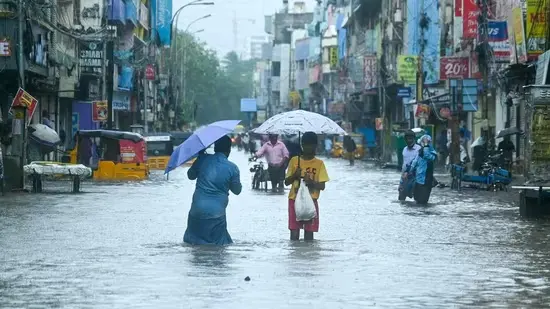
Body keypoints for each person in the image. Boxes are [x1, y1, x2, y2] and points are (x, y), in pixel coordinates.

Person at [183, 135, 242, 245]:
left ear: (214, 148)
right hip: (216, 215)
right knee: (218, 249)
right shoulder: (232, 168)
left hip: (196, 211)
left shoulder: (203, 159)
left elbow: (190, 175)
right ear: (229, 150)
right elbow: (237, 191)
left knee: (193, 245)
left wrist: (199, 159)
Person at [285, 132, 329, 241]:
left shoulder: (319, 164)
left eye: (311, 145)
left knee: (309, 235)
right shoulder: (295, 161)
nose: (308, 148)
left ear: (315, 146)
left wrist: (311, 182)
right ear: (302, 145)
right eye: (305, 145)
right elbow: (286, 182)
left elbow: (322, 186)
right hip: (294, 200)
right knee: (294, 233)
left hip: (311, 201)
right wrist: (295, 175)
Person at [405, 134, 437, 204]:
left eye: (425, 142)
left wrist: (426, 145)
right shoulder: (420, 152)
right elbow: (414, 162)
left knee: (423, 202)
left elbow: (427, 156)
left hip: (426, 181)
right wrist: (408, 172)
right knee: (417, 201)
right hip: (418, 181)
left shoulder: (433, 153)